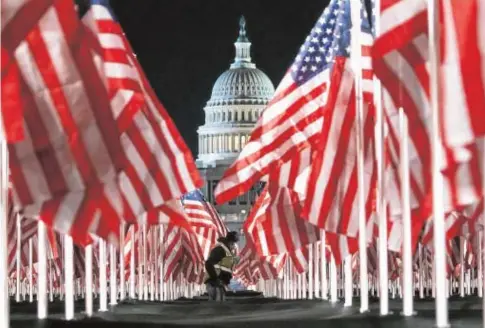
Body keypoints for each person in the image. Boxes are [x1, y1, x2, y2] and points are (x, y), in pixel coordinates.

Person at [204, 231, 240, 301]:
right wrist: (216, 279)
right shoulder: (220, 250)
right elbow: (208, 264)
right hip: (214, 284)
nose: (234, 247)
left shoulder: (225, 250)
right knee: (217, 307)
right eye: (233, 244)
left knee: (219, 306)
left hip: (219, 283)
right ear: (230, 242)